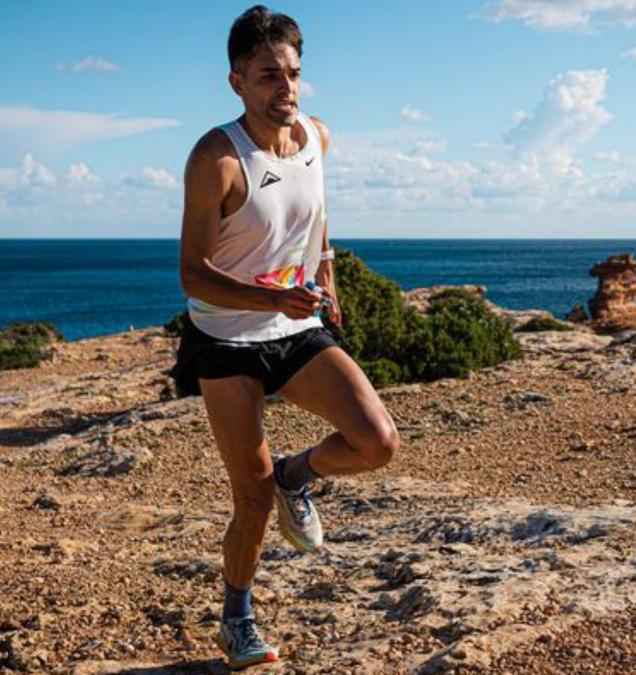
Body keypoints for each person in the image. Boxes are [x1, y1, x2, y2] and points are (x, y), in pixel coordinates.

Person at [172, 5, 401, 670]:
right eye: (269, 75)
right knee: (251, 494)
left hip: (296, 326)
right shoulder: (216, 158)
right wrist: (270, 293)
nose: (287, 88)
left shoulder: (316, 138)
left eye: (295, 73)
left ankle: (298, 475)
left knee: (378, 440)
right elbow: (193, 274)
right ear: (236, 81)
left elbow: (313, 206)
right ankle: (236, 616)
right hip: (225, 340)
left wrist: (323, 257)